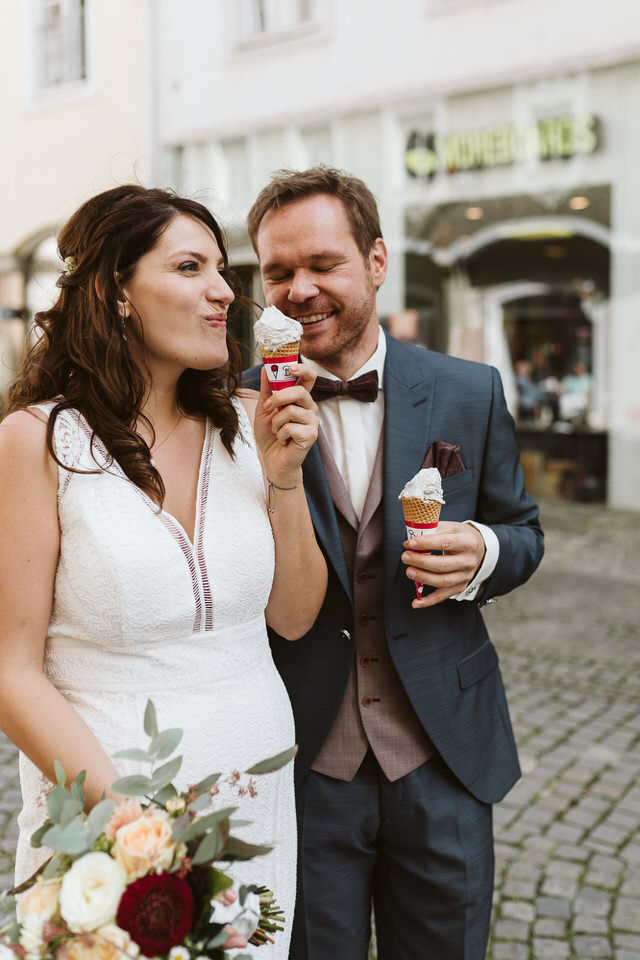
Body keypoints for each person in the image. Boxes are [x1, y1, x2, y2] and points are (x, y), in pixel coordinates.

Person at [0, 184, 327, 958]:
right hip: (108, 814)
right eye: (189, 267)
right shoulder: (37, 442)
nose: (224, 291)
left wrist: (285, 480)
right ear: (116, 291)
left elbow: (295, 617)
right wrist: (136, 835)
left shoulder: (252, 424)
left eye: (222, 269)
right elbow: (11, 672)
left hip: (249, 798)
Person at [243, 167, 544, 960]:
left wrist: (485, 551)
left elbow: (525, 533)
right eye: (279, 272)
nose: (300, 289)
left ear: (376, 261)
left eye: (323, 264)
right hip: (303, 765)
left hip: (444, 754)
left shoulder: (466, 392)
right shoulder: (228, 410)